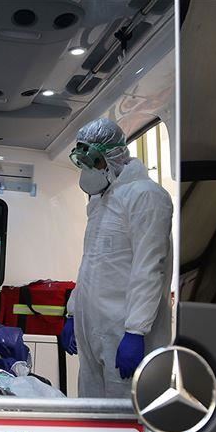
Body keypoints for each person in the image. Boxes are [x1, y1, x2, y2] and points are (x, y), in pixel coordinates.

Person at [60, 118, 173, 398]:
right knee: (91, 411)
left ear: (113, 155)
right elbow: (90, 264)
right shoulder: (101, 200)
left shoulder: (146, 196)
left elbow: (149, 268)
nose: (89, 170)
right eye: (84, 162)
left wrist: (136, 331)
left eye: (94, 161)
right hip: (92, 329)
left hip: (123, 332)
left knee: (124, 413)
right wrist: (73, 312)